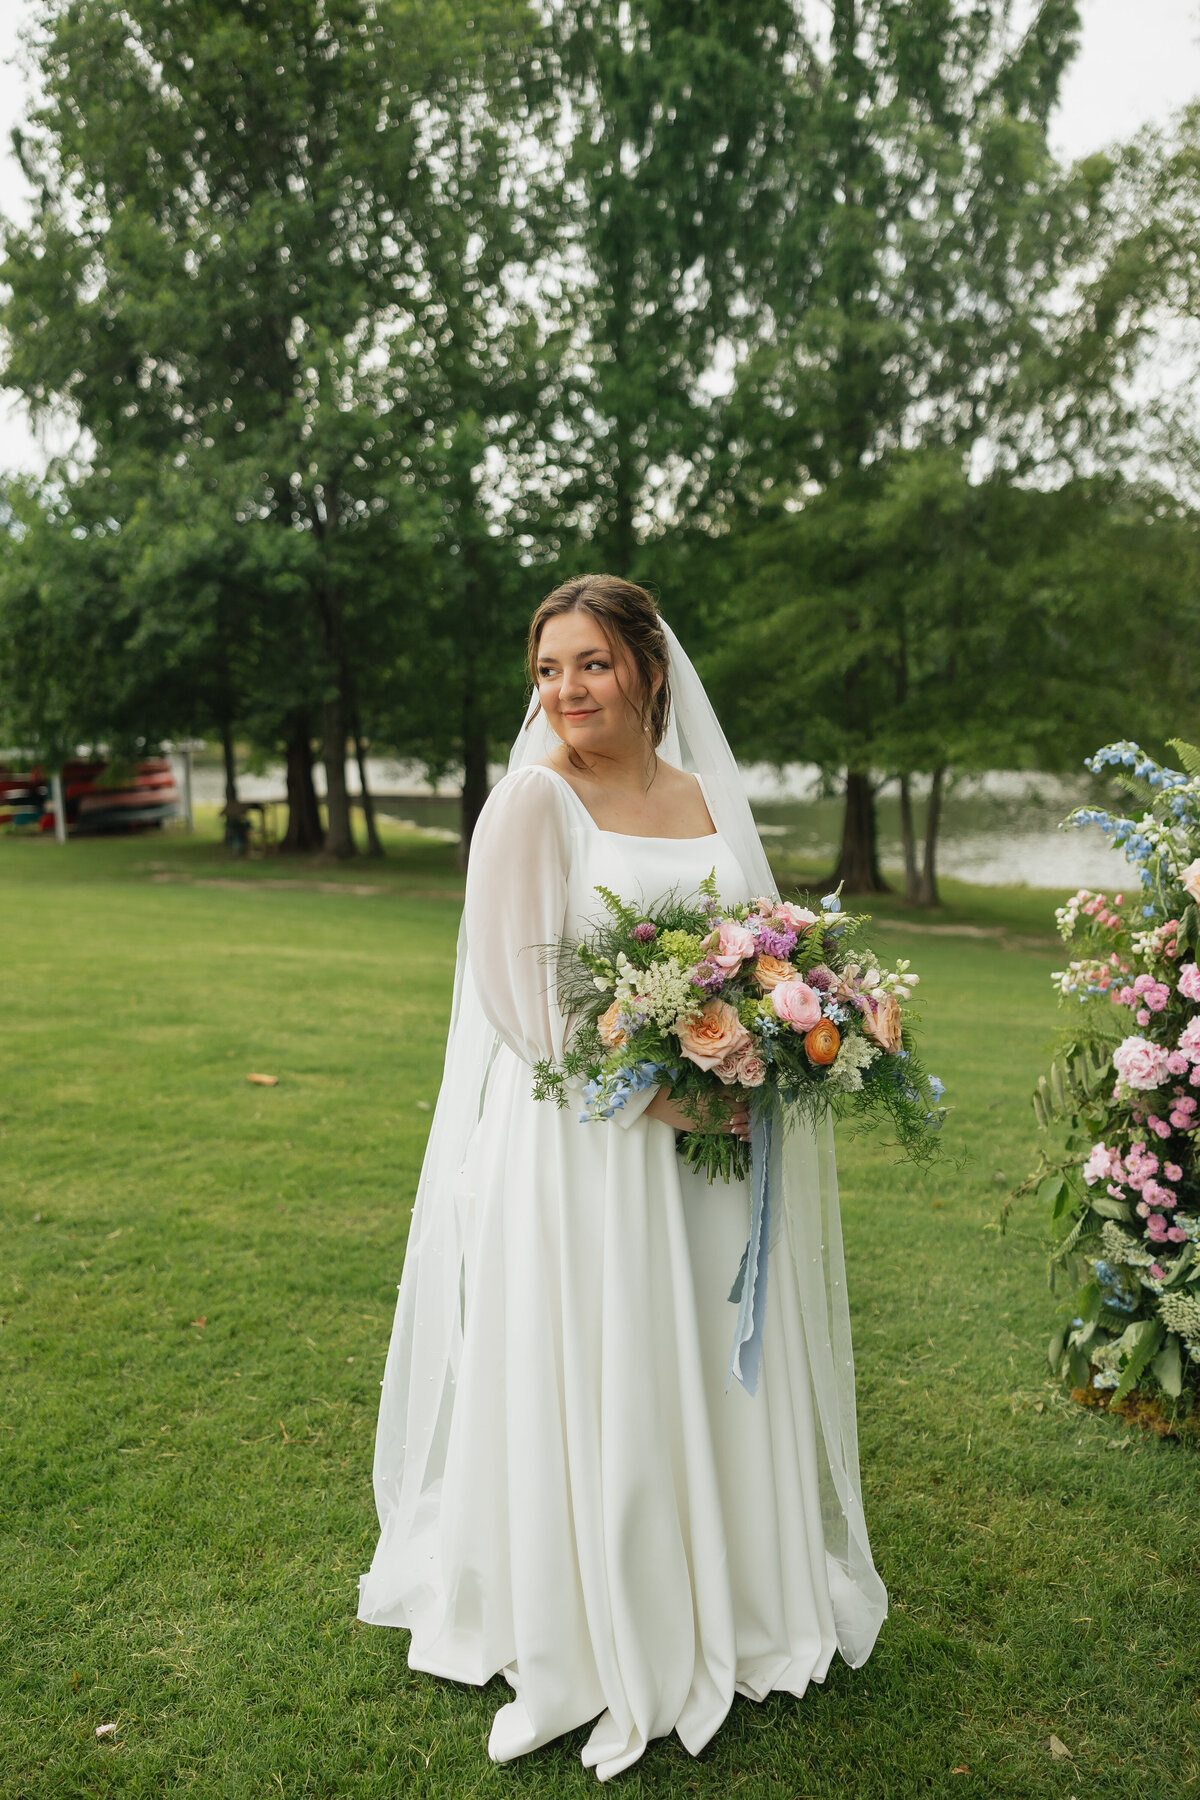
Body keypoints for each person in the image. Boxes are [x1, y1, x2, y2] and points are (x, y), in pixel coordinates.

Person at [358, 576, 887, 1780]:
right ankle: (597, 1612)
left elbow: (754, 944)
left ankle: (734, 1590)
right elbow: (523, 1002)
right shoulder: (533, 802)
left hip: (709, 1151)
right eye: (548, 670)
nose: (566, 691)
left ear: (646, 670)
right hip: (587, 1149)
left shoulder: (701, 796)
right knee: (607, 1353)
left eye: (589, 664)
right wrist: (662, 1091)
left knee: (700, 1351)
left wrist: (780, 1034)